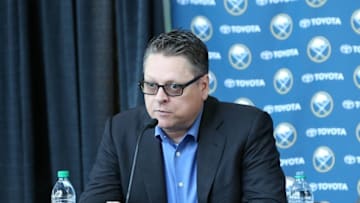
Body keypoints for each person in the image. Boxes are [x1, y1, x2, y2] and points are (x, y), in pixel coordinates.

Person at [79, 29, 287, 203]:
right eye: (151, 85)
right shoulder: (122, 131)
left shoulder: (247, 128)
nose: (160, 97)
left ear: (203, 86)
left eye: (173, 87)